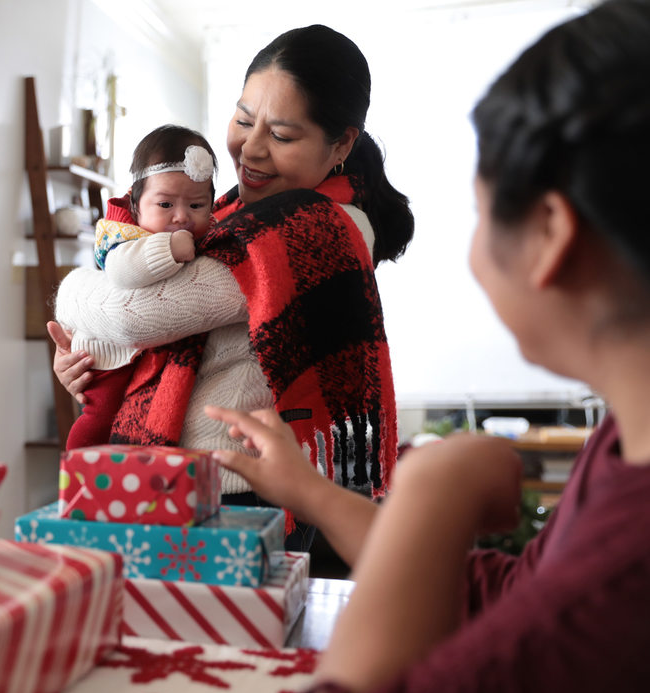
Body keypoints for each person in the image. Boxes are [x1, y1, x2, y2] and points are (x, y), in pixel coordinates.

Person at [207, 1, 650, 693]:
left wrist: (430, 492)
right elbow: (513, 595)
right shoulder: (620, 449)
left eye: (479, 212)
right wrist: (313, 490)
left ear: (549, 235)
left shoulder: (624, 575)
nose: (252, 147)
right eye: (245, 120)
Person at [49, 24, 414, 551]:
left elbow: (134, 313)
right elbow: (130, 320)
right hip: (172, 479)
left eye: (283, 136)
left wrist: (75, 296)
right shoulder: (222, 217)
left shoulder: (320, 226)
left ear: (341, 144)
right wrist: (94, 360)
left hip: (238, 492)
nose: (251, 150)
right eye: (244, 119)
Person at [60, 124, 217, 450]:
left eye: (197, 206)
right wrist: (169, 249)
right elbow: (121, 272)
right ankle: (80, 471)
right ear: (135, 205)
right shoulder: (126, 237)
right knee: (99, 419)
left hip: (141, 352)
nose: (181, 217)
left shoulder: (213, 239)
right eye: (165, 205)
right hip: (108, 354)